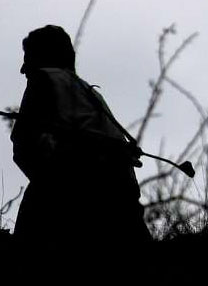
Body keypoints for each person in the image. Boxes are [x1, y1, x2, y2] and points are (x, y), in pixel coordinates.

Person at [11, 25, 151, 276]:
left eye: (28, 57)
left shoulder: (45, 79)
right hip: (122, 201)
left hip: (76, 196)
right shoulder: (91, 94)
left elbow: (23, 145)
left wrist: (51, 184)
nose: (23, 68)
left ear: (43, 56)